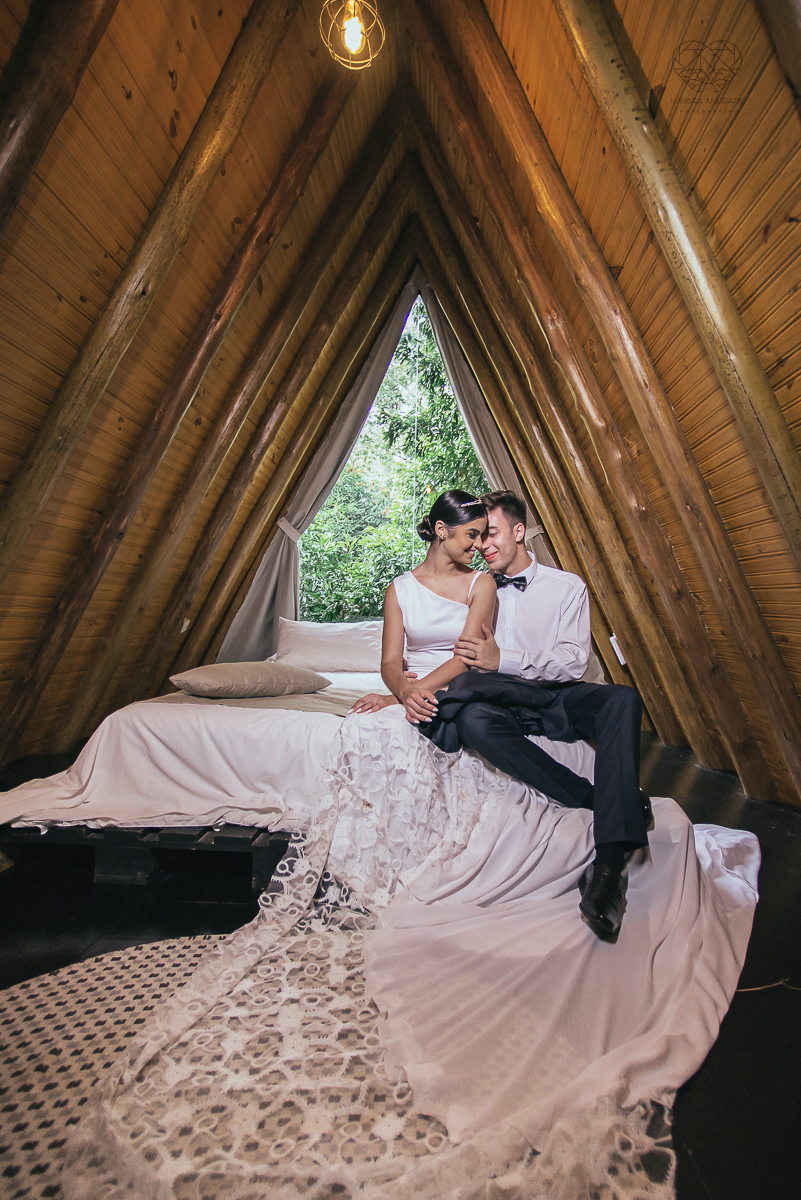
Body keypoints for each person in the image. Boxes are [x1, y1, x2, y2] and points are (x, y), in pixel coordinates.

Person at [425, 489, 649, 940]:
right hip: (503, 701)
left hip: (557, 697)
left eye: (491, 534)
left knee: (621, 700)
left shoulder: (567, 587)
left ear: (519, 531)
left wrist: (501, 659)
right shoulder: (476, 588)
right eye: (478, 537)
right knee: (472, 718)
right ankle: (590, 796)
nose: (482, 545)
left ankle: (607, 868)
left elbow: (571, 661)